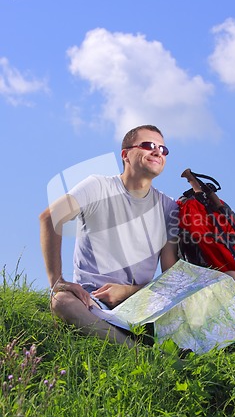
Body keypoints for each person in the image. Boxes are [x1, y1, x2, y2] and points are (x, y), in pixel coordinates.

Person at [39, 125, 179, 347]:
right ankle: (136, 352)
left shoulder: (169, 208)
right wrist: (56, 282)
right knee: (61, 301)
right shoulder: (98, 186)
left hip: (142, 301)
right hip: (92, 300)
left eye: (163, 149)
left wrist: (127, 291)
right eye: (149, 145)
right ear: (125, 155)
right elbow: (50, 217)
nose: (157, 152)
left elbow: (171, 277)